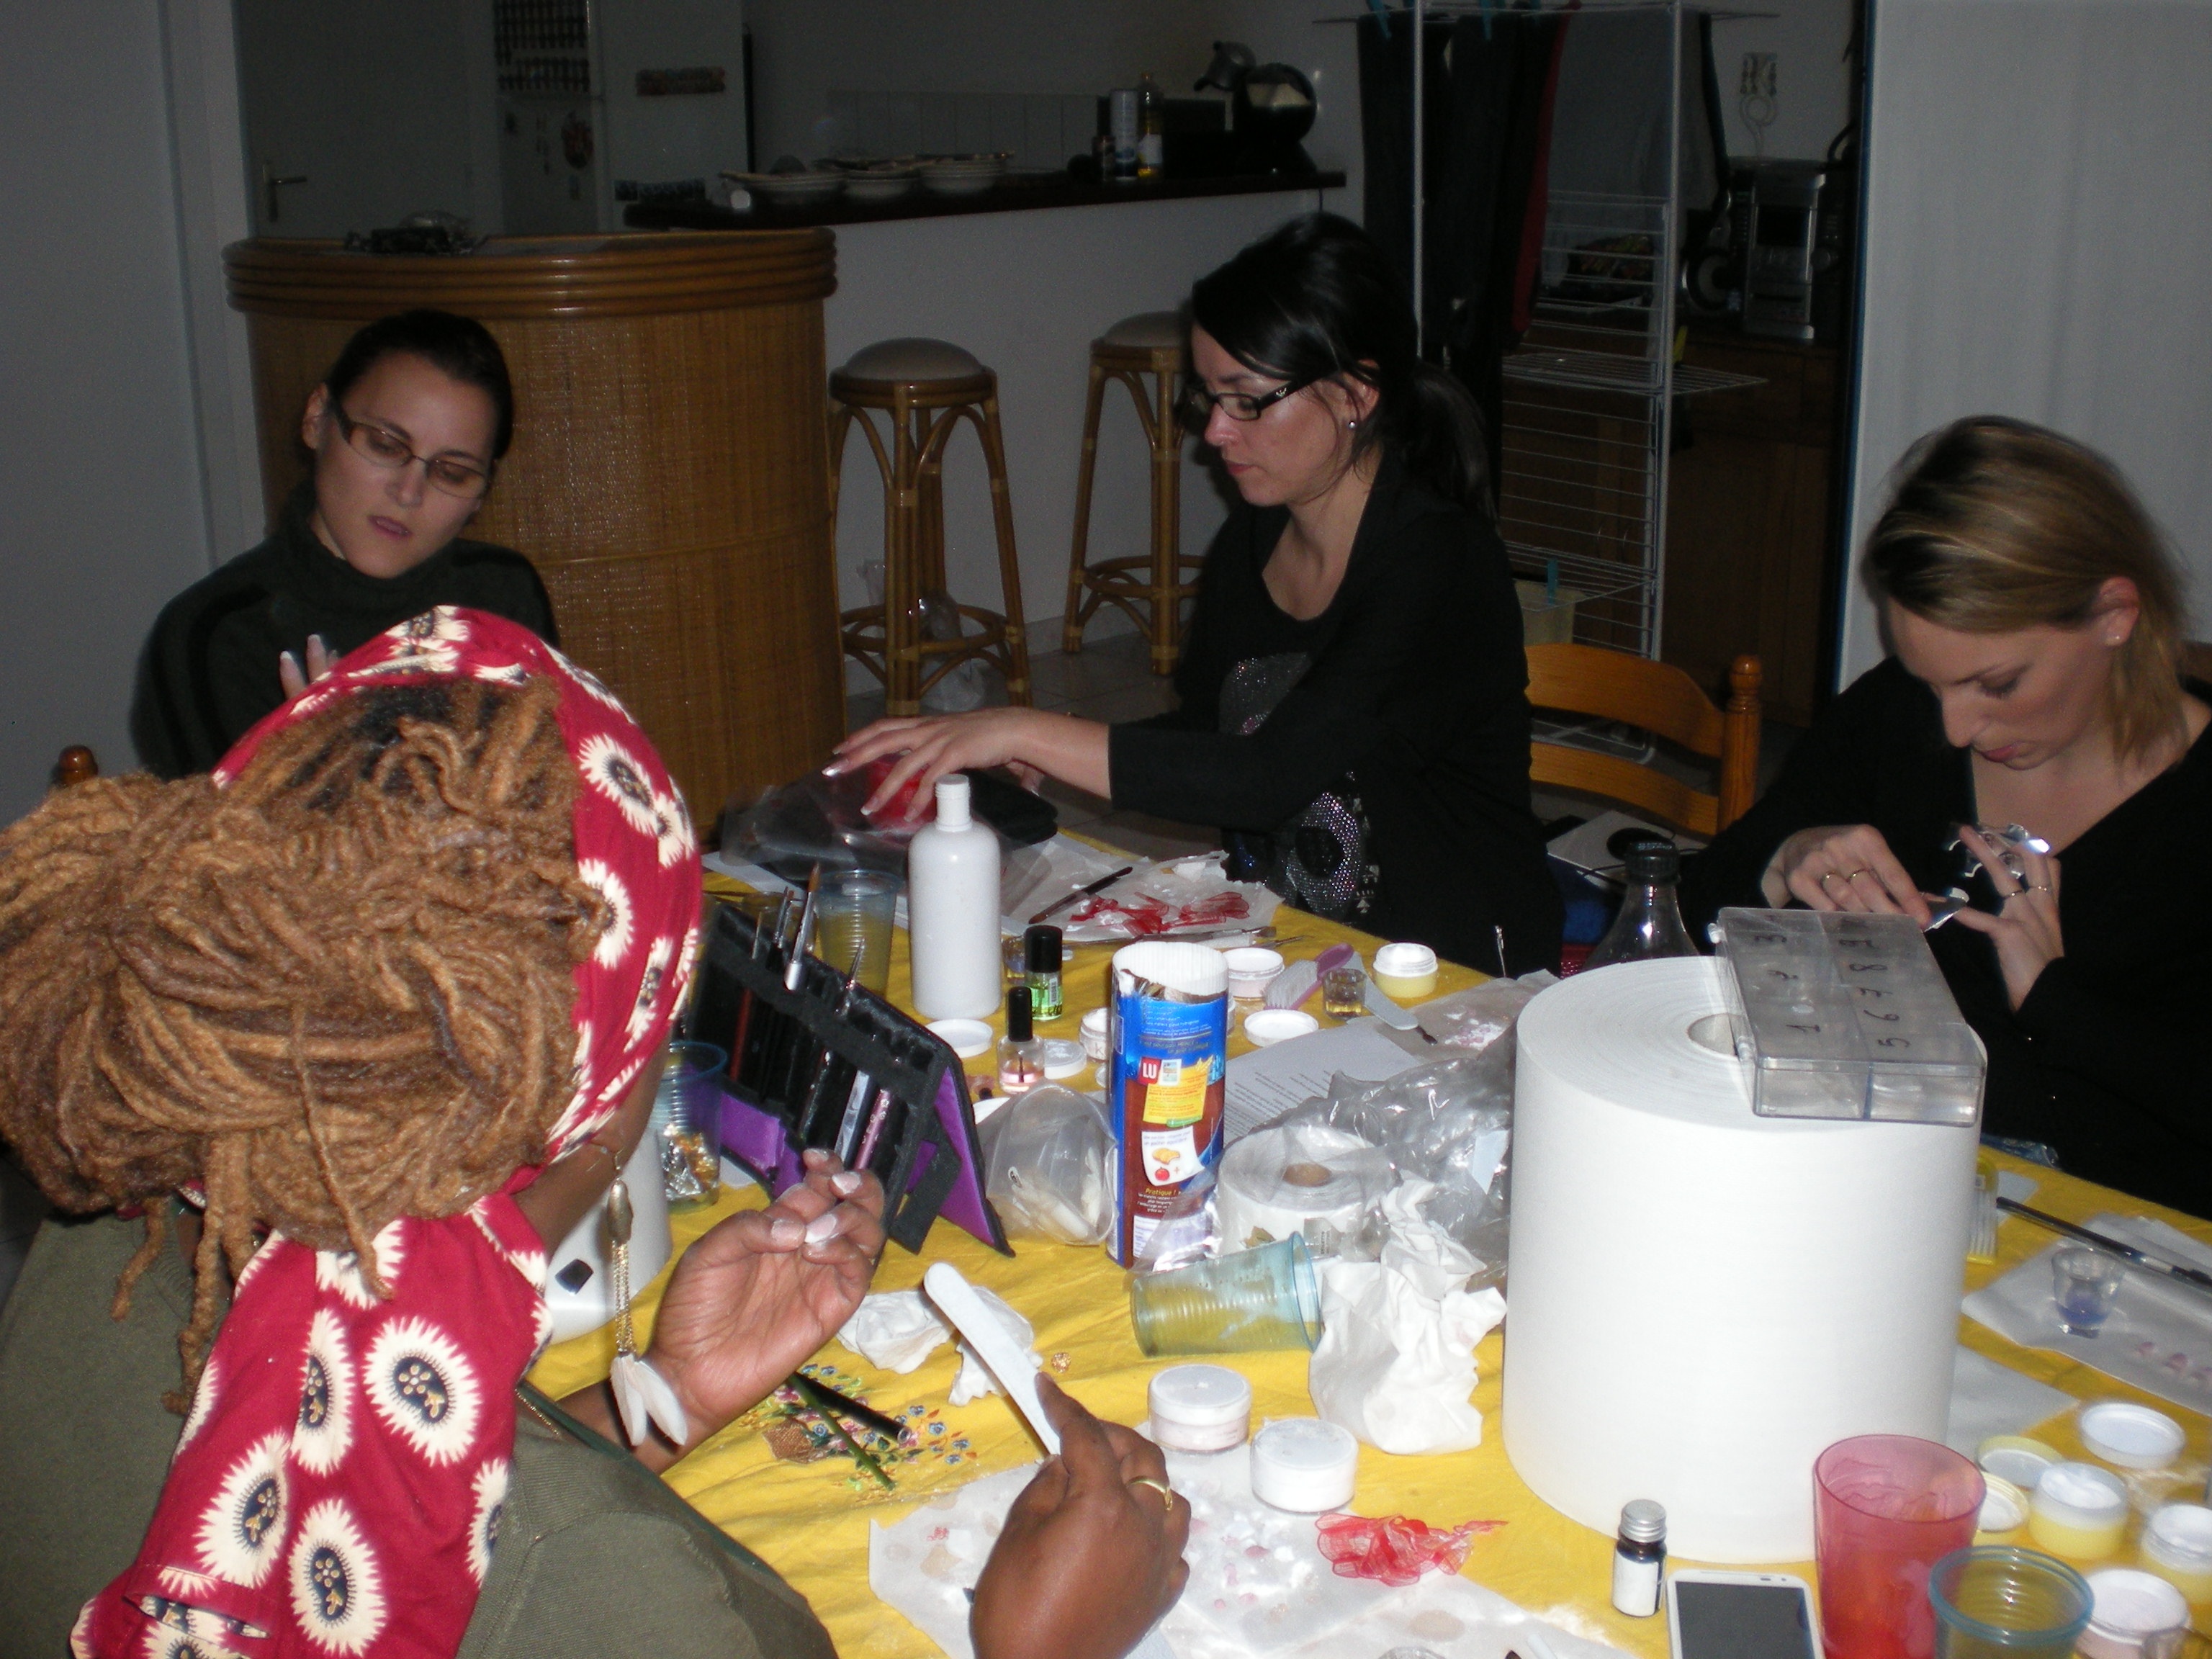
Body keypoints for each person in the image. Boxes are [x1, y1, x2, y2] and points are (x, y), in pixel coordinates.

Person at [0, 610, 1188, 1659]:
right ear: (606, 1089)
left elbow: (422, 1454)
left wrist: (660, 1398)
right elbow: (534, 1553)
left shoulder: (102, 1256)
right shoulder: (633, 1605)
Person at [830, 214, 1561, 975]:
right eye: (1209, 397)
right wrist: (1054, 744)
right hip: (1308, 948)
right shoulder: (1255, 539)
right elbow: (1214, 729)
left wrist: (1024, 728)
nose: (1214, 431)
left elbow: (1265, 778)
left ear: (1354, 394)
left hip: (1454, 969)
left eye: (1246, 400)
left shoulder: (1439, 563)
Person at [1682, 416, 2212, 1214]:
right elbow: (1693, 911)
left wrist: (2056, 1001)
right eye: (1934, 684)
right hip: (1877, 1167)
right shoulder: (1898, 716)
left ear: (2114, 613)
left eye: (1996, 685)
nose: (1957, 730)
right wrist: (1785, 858)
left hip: (2107, 1222)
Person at [131, 309, 557, 778]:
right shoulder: (216, 635)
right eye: (385, 445)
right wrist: (319, 774)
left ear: (480, 494)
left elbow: (557, 797)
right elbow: (214, 826)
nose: (408, 493)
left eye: (453, 473)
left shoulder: (501, 596)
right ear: (317, 418)